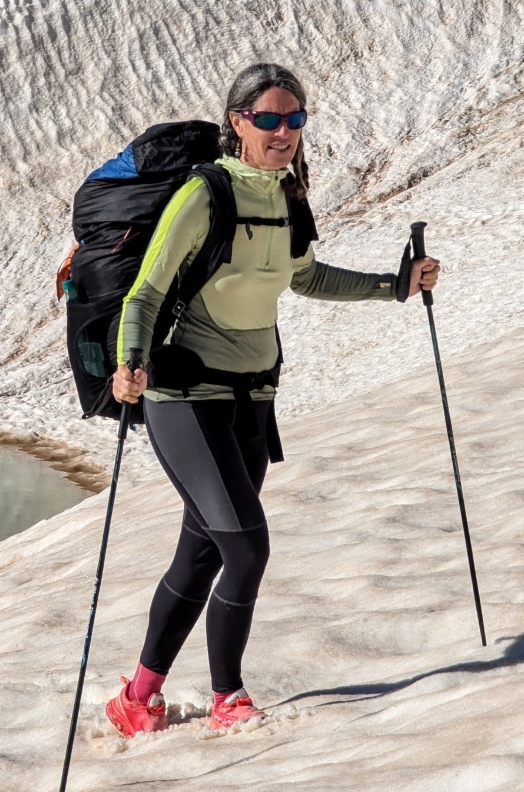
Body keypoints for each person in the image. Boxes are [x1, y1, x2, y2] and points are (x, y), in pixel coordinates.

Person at [106, 62, 439, 735]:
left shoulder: (288, 196)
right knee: (247, 548)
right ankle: (228, 698)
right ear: (238, 123)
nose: (284, 131)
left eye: (294, 119)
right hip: (184, 395)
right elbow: (144, 291)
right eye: (269, 119)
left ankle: (137, 699)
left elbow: (307, 277)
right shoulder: (206, 194)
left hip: (254, 398)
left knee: (202, 553)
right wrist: (130, 363)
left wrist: (393, 287)